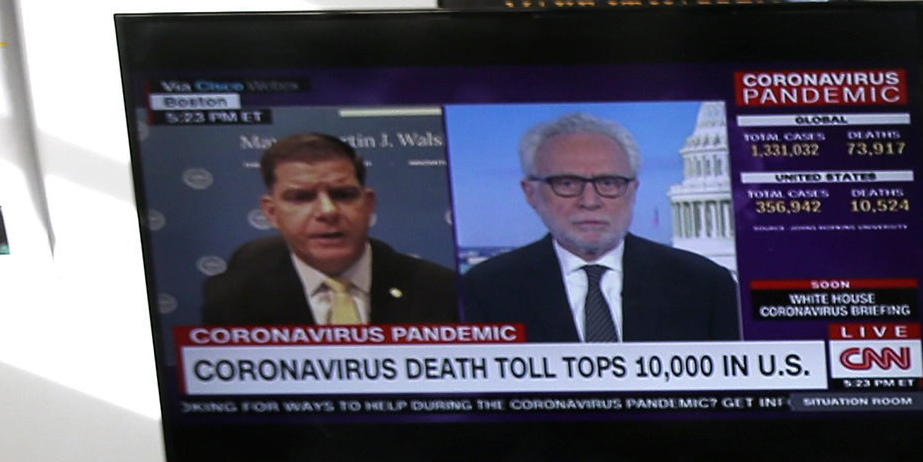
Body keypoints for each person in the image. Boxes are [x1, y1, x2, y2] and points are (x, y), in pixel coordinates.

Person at [458, 110, 741, 343]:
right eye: (567, 183)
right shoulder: (485, 289)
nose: (590, 201)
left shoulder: (706, 285)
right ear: (530, 193)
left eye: (608, 183)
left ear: (633, 190)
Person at [199, 132, 460, 326]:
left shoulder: (438, 290)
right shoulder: (233, 299)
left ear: (368, 204)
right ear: (271, 212)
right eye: (301, 197)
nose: (328, 211)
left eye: (343, 194)